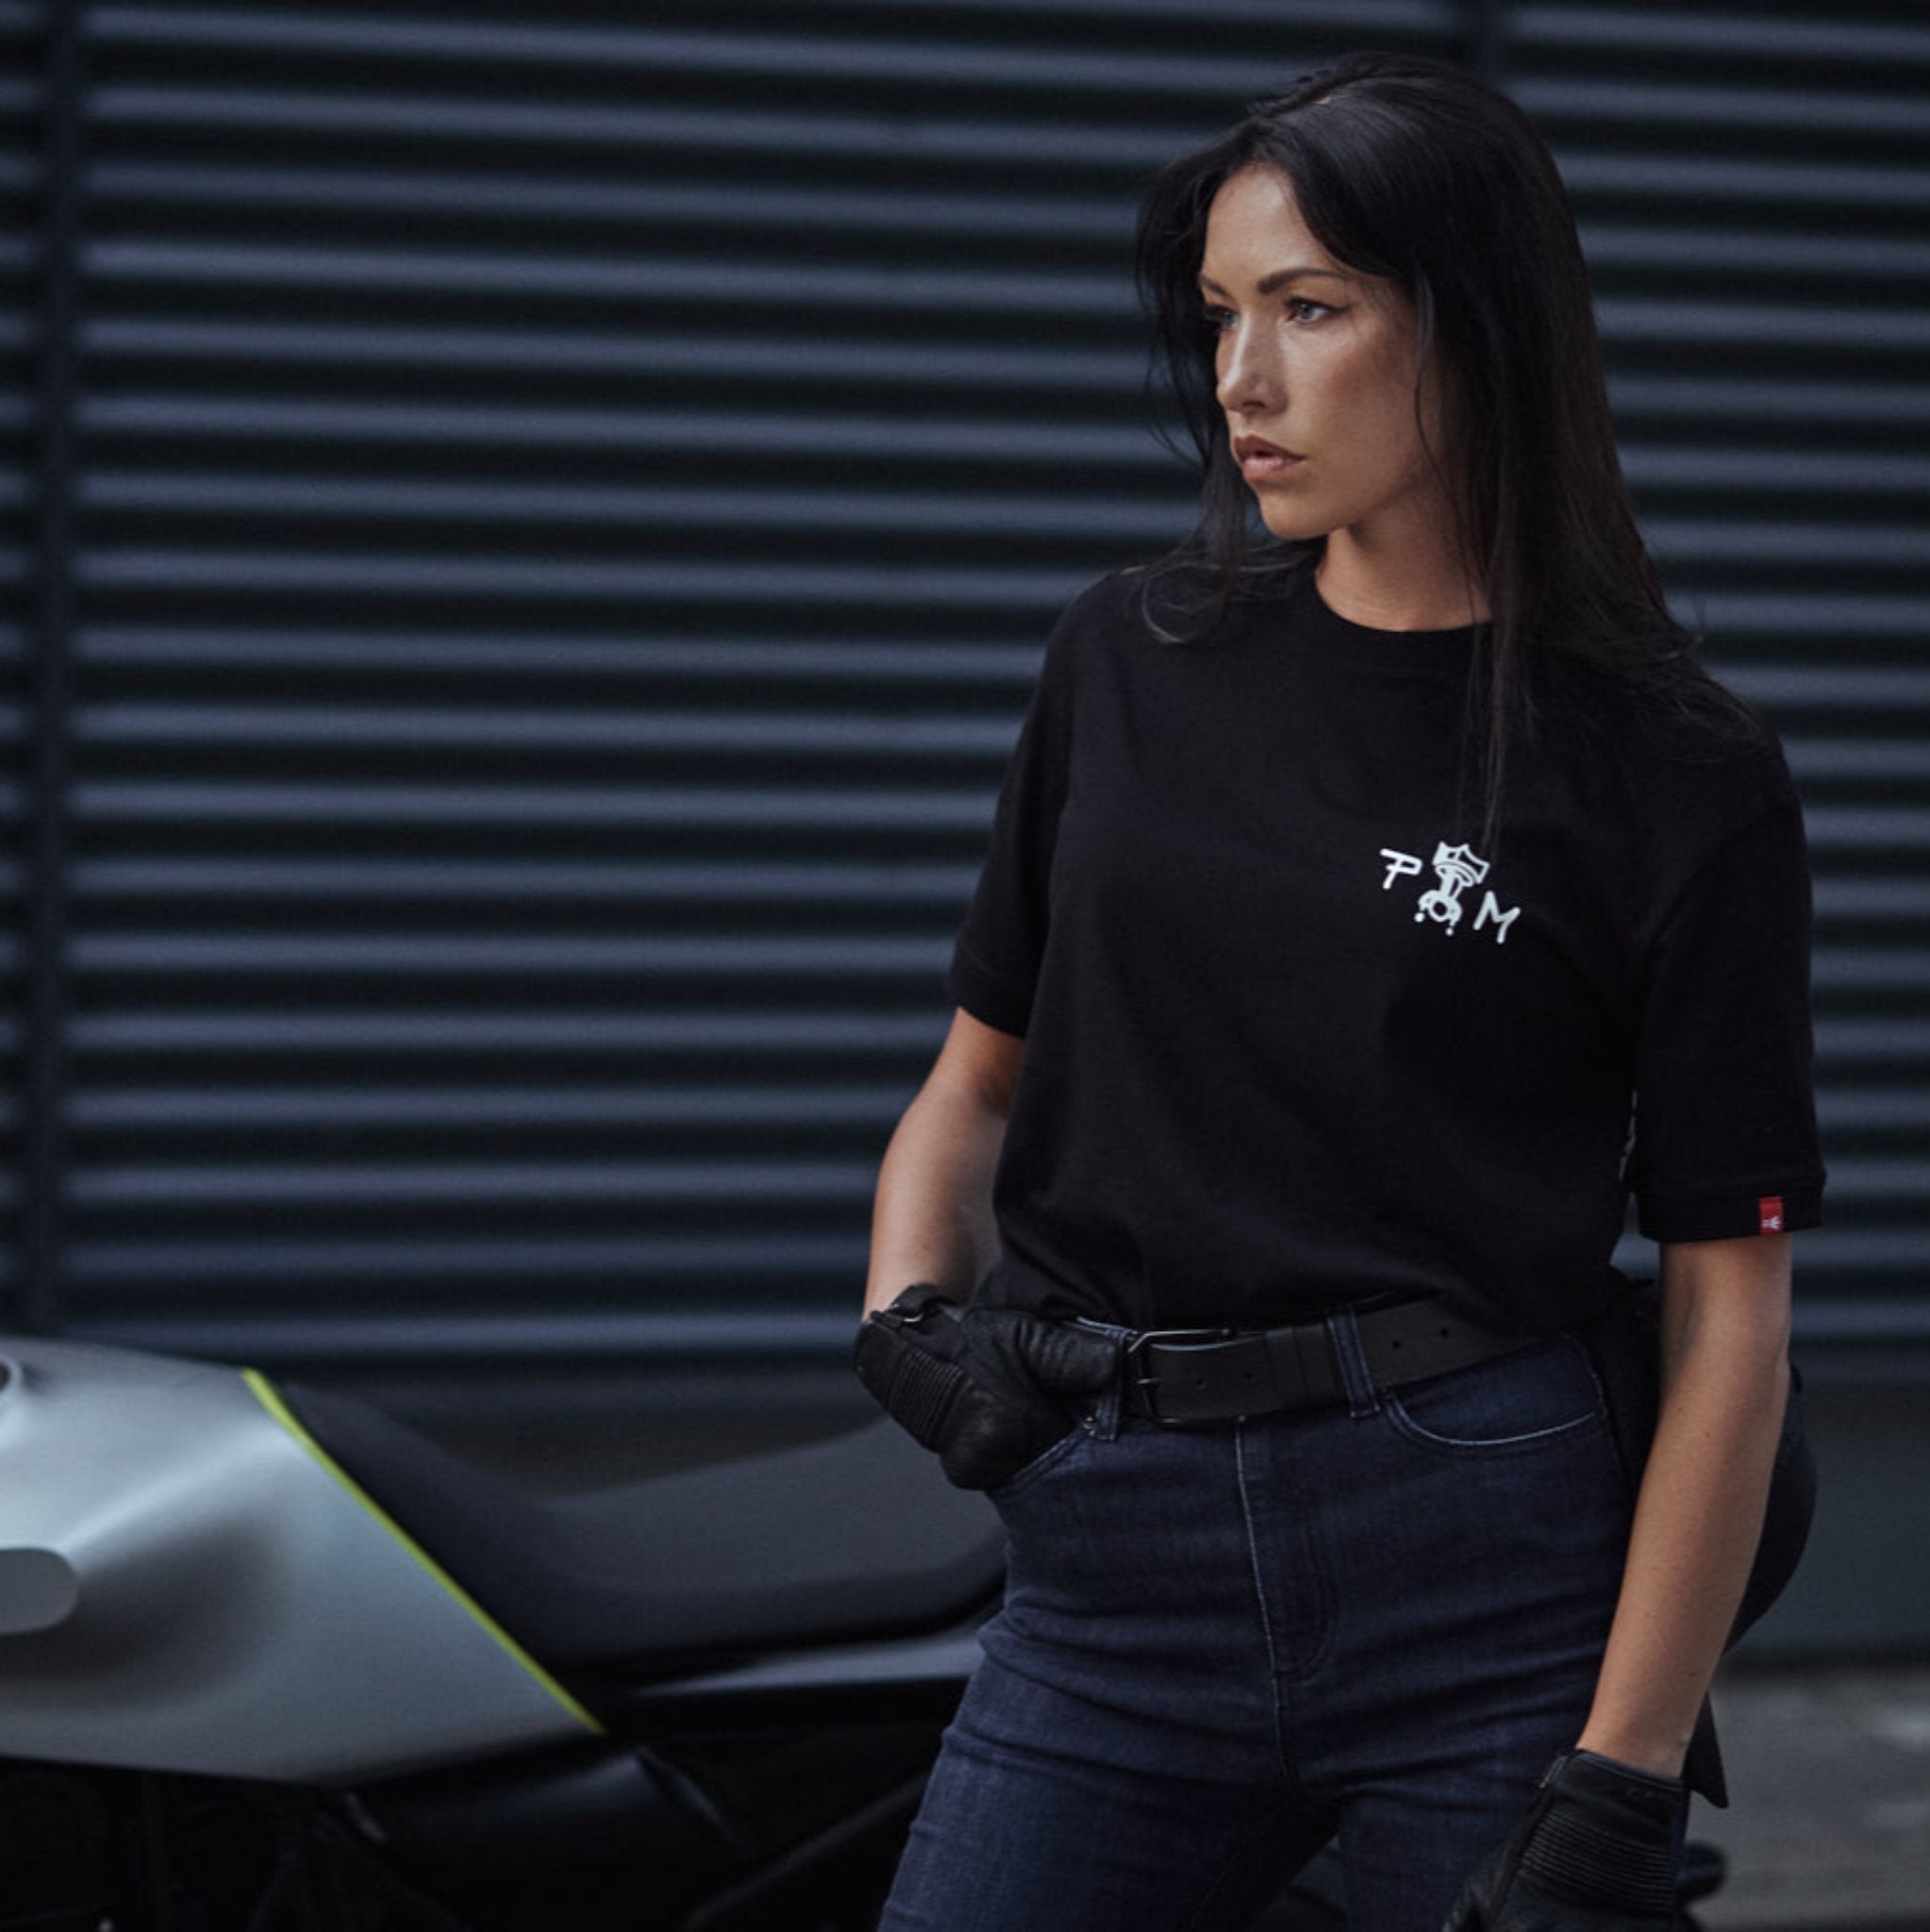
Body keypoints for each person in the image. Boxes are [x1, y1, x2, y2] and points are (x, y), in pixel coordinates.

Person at [856, 50, 1823, 1932]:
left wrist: (1619, 1777)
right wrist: (907, 1322)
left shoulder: (1674, 772)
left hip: (1477, 1562)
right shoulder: (1126, 664)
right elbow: (973, 1088)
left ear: (1480, 329)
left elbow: (1733, 1328)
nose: (1242, 379)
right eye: (1222, 314)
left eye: (1311, 309)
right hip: (1106, 1580)